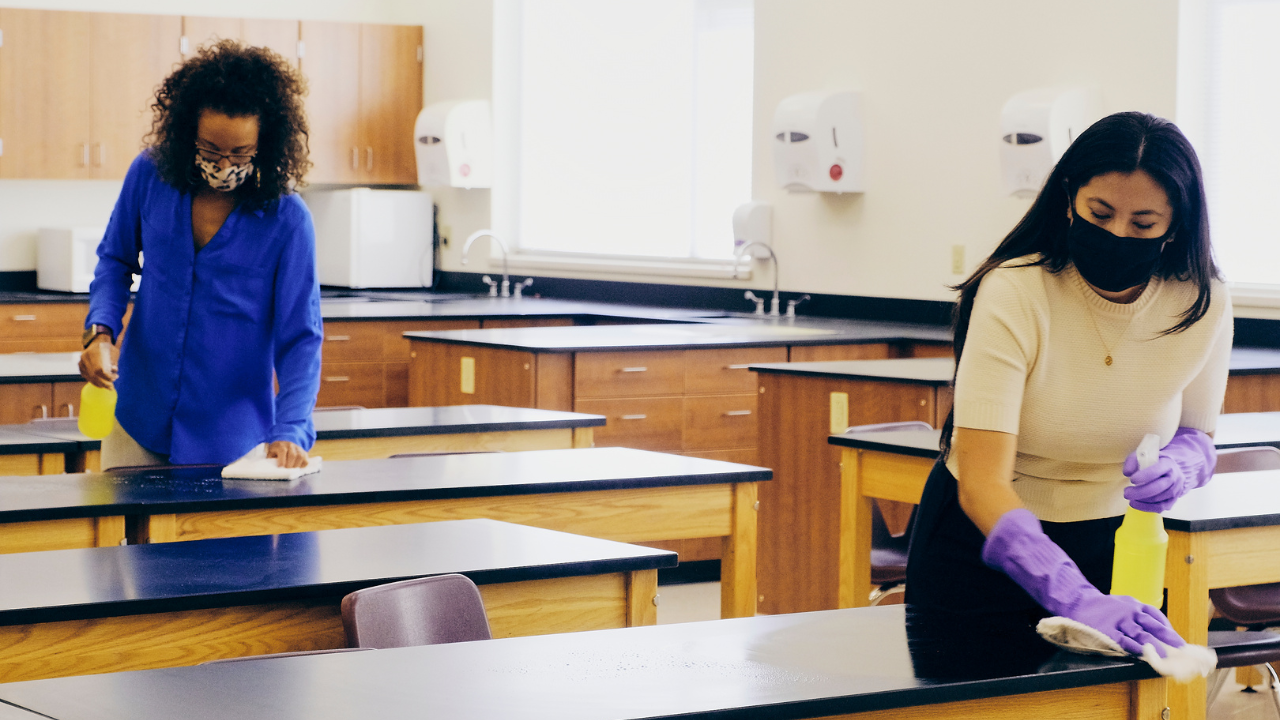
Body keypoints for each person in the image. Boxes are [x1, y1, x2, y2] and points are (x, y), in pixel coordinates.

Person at [905, 112, 1232, 656]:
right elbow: (983, 482)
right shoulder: (1016, 291)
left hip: (1117, 545)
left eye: (1144, 224)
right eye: (1100, 213)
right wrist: (1069, 592)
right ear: (1068, 197)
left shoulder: (1202, 301)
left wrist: (1183, 465)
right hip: (983, 545)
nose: (1118, 234)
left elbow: (1199, 435)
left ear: (1176, 224)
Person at [79, 40, 322, 470]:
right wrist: (99, 334)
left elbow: (300, 337)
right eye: (210, 149)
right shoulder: (150, 176)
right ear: (188, 132)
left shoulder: (288, 221)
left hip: (232, 437)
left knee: (220, 540)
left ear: (264, 146)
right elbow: (115, 261)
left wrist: (292, 428)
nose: (224, 163)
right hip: (137, 418)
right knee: (123, 538)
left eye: (240, 153)